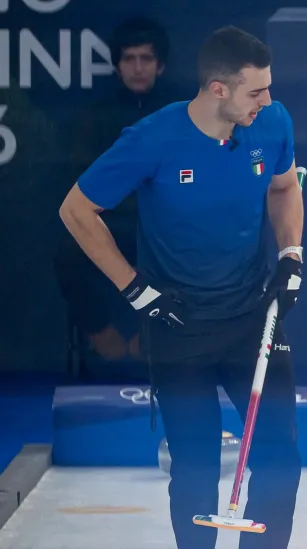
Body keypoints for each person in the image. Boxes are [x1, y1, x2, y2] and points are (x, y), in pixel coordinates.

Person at [58, 26, 307, 549]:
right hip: (177, 325)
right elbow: (76, 210)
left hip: (252, 319)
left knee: (281, 456)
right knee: (198, 469)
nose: (267, 100)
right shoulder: (153, 139)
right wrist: (135, 289)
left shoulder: (270, 122)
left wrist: (291, 254)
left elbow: (285, 188)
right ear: (217, 88)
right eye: (254, 91)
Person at [55, 17, 176, 380]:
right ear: (117, 65)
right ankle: (100, 333)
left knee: (194, 250)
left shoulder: (181, 117)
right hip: (110, 227)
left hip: (160, 231)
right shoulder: (94, 119)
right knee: (67, 253)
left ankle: (155, 334)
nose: (138, 68)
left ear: (161, 65)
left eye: (146, 59)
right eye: (129, 59)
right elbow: (81, 189)